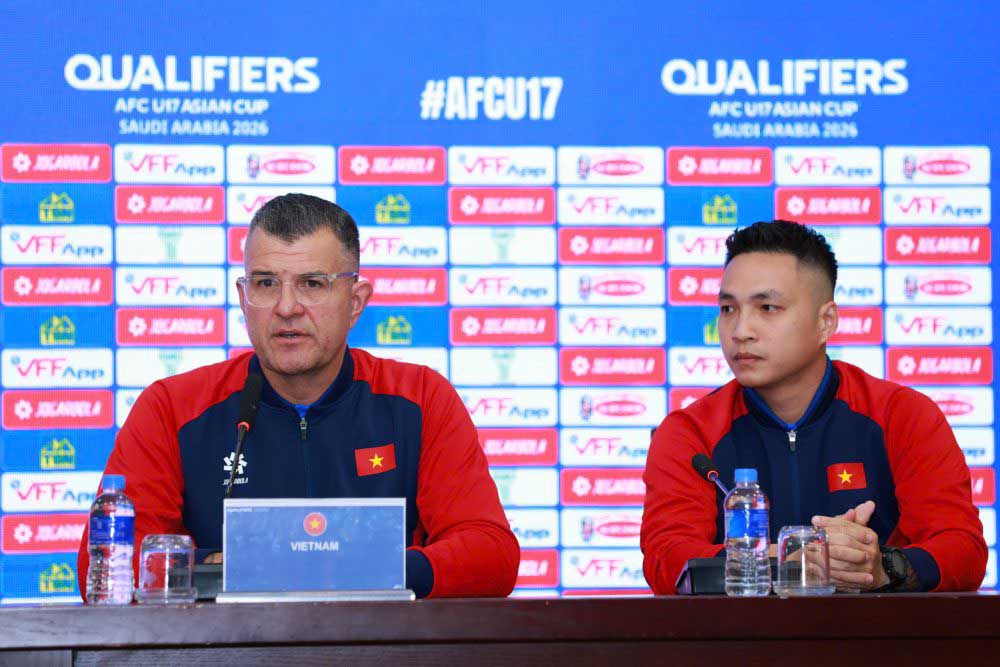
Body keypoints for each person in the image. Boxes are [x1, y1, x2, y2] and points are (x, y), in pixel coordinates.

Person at [77, 193, 519, 599]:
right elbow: (106, 566)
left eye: (312, 283)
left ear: (356, 300)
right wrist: (219, 573)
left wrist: (354, 569)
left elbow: (490, 554)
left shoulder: (420, 398)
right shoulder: (172, 408)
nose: (287, 307)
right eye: (266, 283)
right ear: (243, 297)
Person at [641, 220, 986, 594]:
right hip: (736, 649)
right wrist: (788, 557)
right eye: (728, 309)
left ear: (826, 322)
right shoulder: (690, 434)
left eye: (767, 307)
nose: (740, 330)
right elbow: (667, 560)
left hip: (877, 647)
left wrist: (880, 564)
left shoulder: (903, 416)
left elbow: (962, 551)